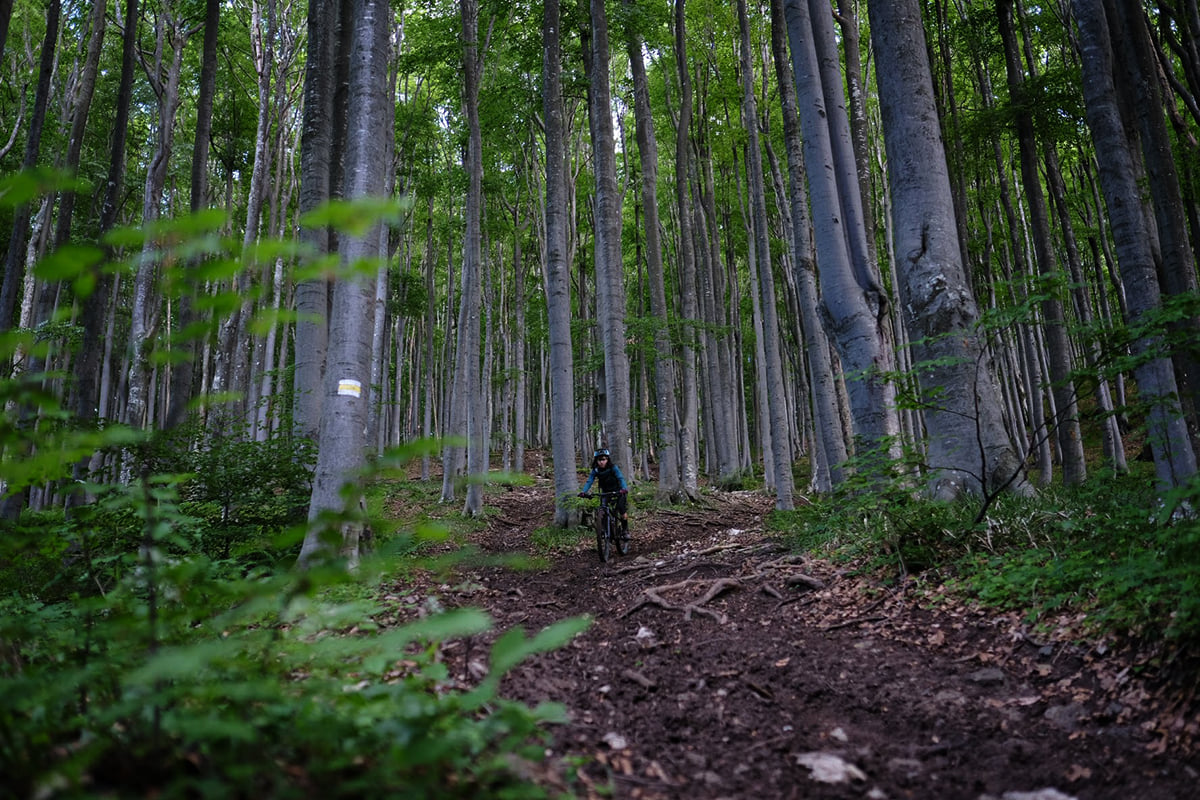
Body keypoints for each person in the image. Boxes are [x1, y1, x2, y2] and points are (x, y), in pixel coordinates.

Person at [578, 448, 628, 529]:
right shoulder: (596, 470)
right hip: (605, 492)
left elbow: (620, 478)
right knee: (602, 510)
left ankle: (625, 530)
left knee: (622, 509)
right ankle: (605, 530)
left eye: (603, 459)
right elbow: (589, 481)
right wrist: (583, 492)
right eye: (599, 460)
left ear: (607, 459)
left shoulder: (613, 468)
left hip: (618, 491)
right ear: (596, 461)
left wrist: (624, 488)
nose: (601, 462)